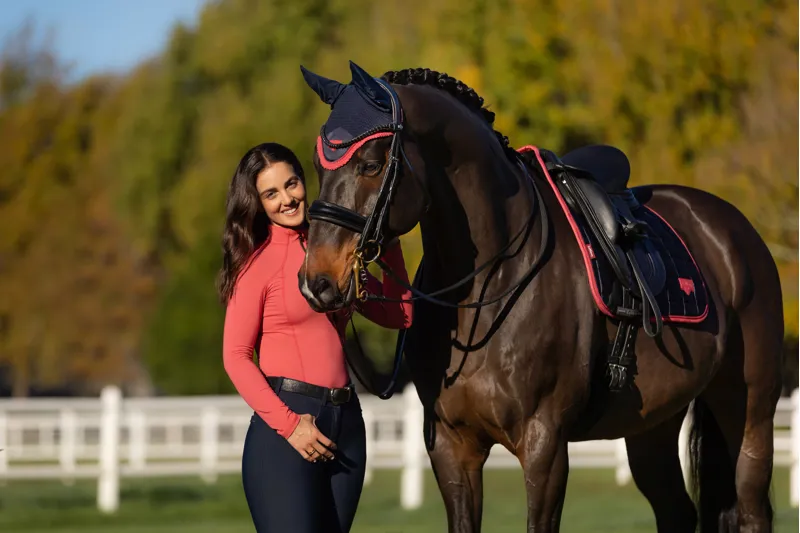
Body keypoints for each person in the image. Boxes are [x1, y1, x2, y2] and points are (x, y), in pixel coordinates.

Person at [217, 142, 413, 533]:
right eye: (271, 193)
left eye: (291, 184)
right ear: (258, 203)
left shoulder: (331, 255)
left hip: (347, 423)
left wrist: (390, 243)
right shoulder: (257, 266)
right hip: (289, 427)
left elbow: (399, 314)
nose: (287, 199)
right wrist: (291, 426)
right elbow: (236, 357)